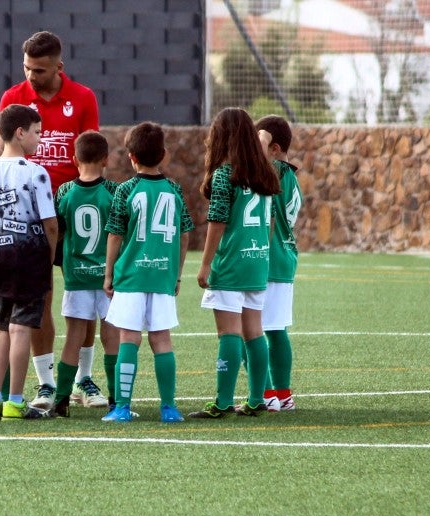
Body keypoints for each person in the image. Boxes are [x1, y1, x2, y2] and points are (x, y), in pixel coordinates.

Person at [0, 30, 99, 410]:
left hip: (72, 213)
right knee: (38, 300)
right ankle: (45, 383)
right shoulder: (12, 99)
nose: (31, 76)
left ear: (59, 66)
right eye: (26, 68)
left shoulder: (83, 98)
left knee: (82, 299)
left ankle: (83, 379)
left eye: (39, 70)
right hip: (27, 217)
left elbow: (88, 155)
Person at [188, 107, 281, 419]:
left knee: (229, 333)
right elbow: (268, 223)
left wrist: (205, 265)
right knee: (254, 331)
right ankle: (257, 400)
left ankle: (223, 402)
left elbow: (217, 221)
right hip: (257, 261)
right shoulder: (265, 173)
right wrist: (260, 252)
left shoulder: (225, 174)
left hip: (230, 264)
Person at [101, 123, 193, 423]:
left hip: (132, 276)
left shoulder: (126, 189)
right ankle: (169, 408)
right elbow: (184, 234)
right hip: (163, 275)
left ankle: (123, 408)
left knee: (129, 338)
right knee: (162, 340)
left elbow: (115, 234)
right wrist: (176, 274)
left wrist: (108, 273)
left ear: (131, 157)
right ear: (164, 155)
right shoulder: (174, 190)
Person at [0, 105, 58, 421]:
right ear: (20, 133)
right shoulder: (34, 172)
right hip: (29, 260)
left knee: (3, 329)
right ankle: (15, 401)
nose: (39, 139)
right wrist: (48, 257)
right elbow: (50, 223)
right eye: (37, 132)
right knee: (22, 329)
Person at [50, 131, 118, 418]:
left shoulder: (65, 192)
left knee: (73, 338)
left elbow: (58, 231)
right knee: (112, 337)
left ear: (74, 159)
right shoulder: (114, 192)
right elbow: (119, 233)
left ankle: (61, 401)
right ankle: (118, 401)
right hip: (109, 280)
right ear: (106, 160)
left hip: (76, 277)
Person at [256, 115, 303, 412]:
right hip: (284, 258)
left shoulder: (273, 170)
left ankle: (264, 392)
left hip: (267, 259)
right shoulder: (290, 174)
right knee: (275, 330)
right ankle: (281, 394)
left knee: (250, 331)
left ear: (273, 148)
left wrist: (259, 137)